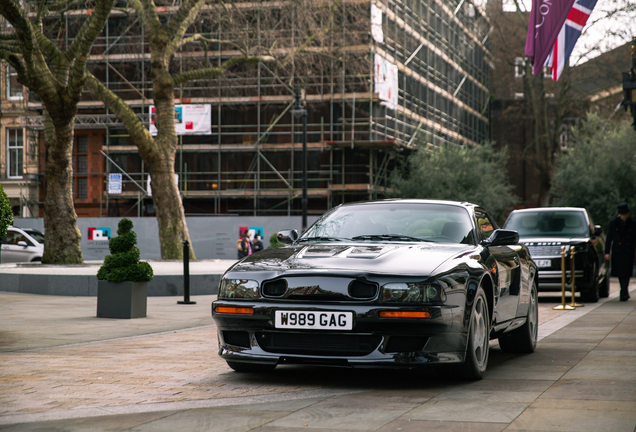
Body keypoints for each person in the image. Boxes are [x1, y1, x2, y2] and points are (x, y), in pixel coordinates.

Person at [605, 203, 636, 301]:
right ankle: (624, 291)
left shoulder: (633, 223)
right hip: (617, 251)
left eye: (626, 214)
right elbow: (609, 238)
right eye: (623, 214)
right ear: (619, 214)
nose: (625, 216)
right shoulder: (613, 223)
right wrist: (607, 252)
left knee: (626, 272)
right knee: (619, 272)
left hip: (628, 251)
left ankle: (623, 291)